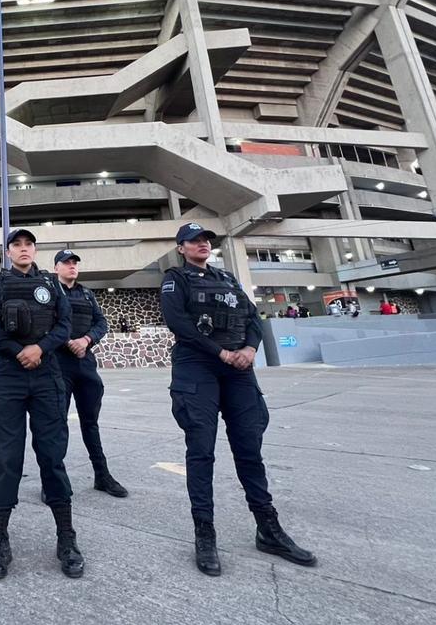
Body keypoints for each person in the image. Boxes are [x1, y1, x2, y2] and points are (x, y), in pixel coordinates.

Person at [160, 223, 316, 577]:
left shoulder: (228, 280)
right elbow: (178, 323)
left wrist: (248, 349)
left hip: (239, 369)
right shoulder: (175, 279)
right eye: (194, 241)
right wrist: (221, 353)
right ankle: (205, 533)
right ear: (181, 248)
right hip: (198, 366)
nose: (202, 244)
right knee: (201, 451)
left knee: (249, 448)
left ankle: (268, 528)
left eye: (206, 240)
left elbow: (253, 319)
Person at [0, 228, 84, 580]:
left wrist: (40, 348)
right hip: (8, 375)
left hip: (47, 373)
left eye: (28, 245)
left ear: (35, 250)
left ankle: (66, 538)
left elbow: (65, 323)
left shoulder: (52, 285)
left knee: (53, 457)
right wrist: (18, 350)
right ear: (8, 251)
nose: (23, 249)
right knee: (7, 459)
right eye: (16, 245)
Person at [52, 249, 127, 498]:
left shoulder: (87, 293)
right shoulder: (50, 292)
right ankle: (53, 481)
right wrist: (68, 342)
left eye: (74, 263)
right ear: (56, 268)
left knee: (90, 424)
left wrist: (85, 340)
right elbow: (43, 324)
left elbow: (101, 323)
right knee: (56, 425)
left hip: (85, 364)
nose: (72, 266)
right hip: (58, 364)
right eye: (66, 263)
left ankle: (102, 475)